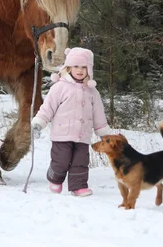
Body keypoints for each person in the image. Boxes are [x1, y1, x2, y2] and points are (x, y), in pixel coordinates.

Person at [31, 47, 112, 197]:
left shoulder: (92, 92)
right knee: (61, 160)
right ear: (68, 67)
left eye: (84, 67)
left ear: (89, 69)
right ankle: (55, 178)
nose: (80, 70)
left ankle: (79, 186)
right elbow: (47, 107)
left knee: (80, 162)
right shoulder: (59, 88)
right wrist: (38, 123)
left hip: (83, 135)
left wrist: (104, 133)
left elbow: (98, 114)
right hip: (62, 134)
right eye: (76, 66)